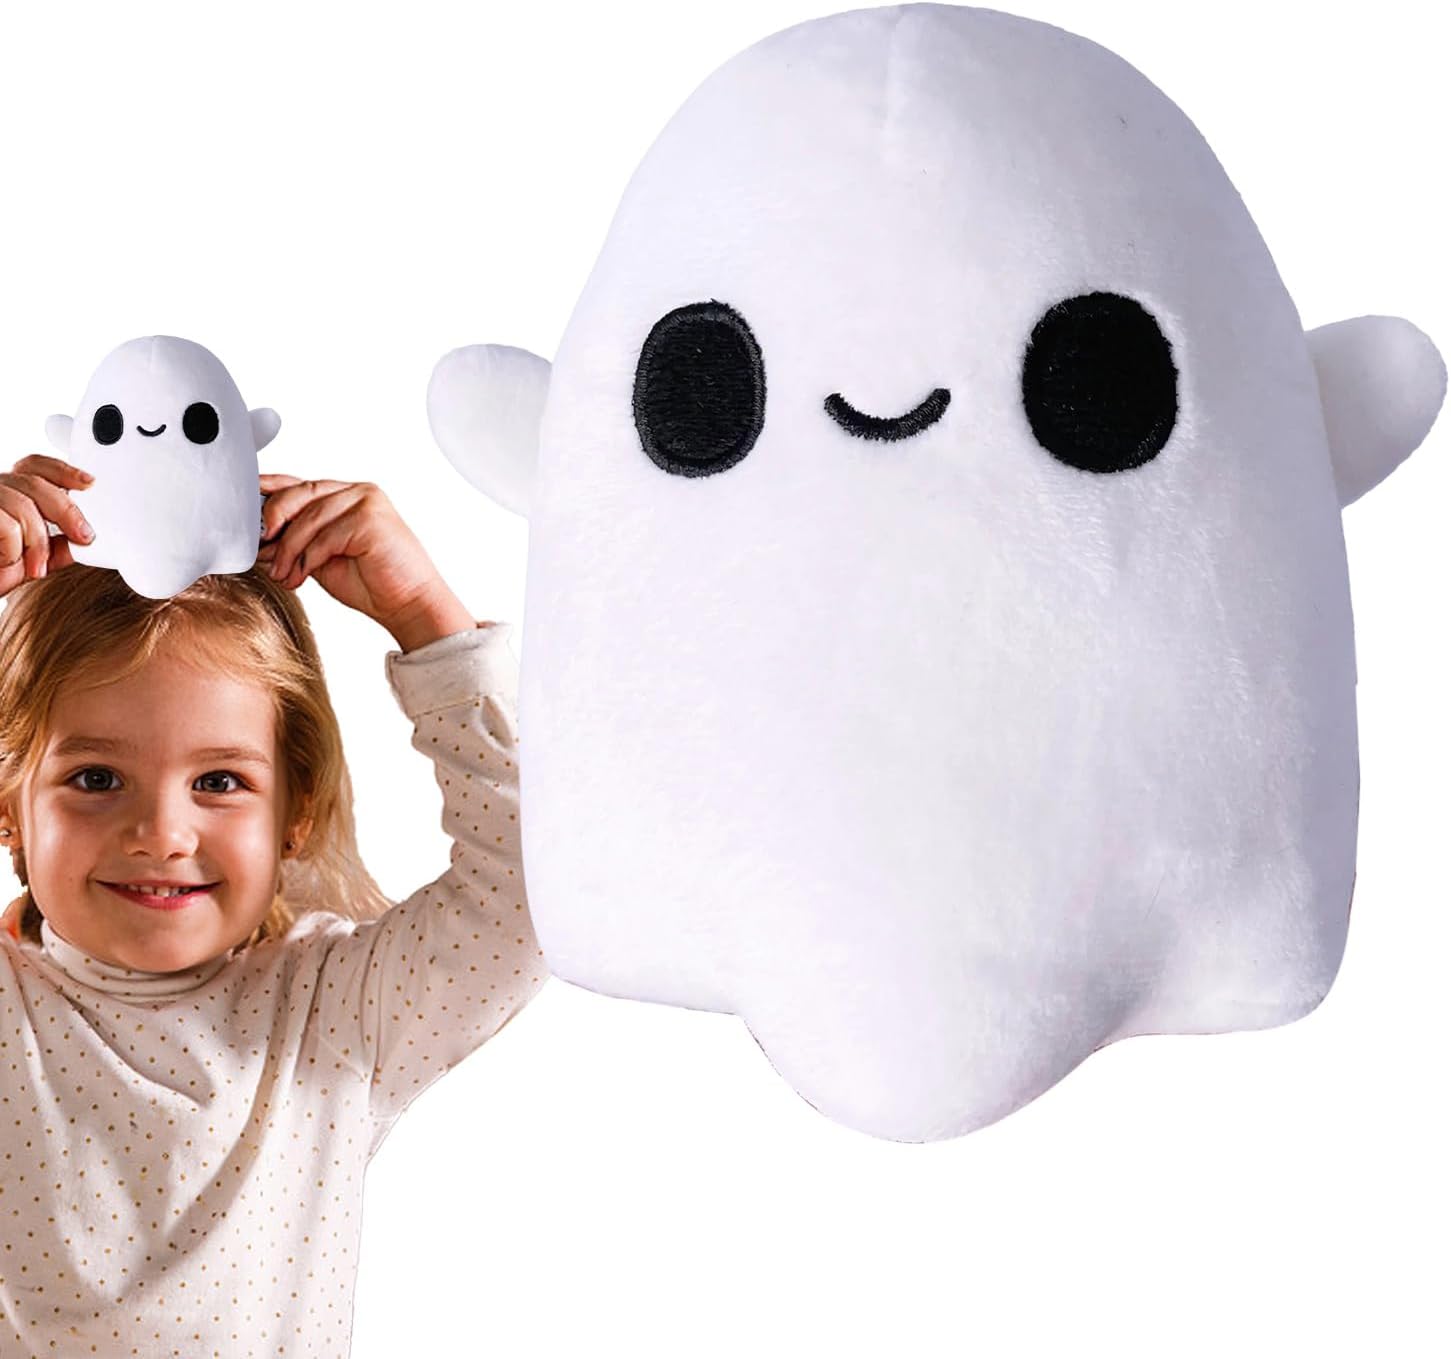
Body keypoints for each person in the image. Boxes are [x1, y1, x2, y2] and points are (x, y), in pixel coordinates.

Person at [0, 452, 545, 1356]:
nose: (161, 833)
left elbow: (534, 898)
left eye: (219, 781)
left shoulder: (335, 1011)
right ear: (10, 808)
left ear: (296, 813)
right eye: (95, 778)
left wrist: (423, 612)